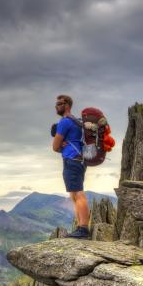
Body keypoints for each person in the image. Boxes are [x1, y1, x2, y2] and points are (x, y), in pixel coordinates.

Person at [52, 94, 90, 239]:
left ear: (67, 105)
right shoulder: (77, 122)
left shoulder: (65, 122)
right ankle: (81, 227)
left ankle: (84, 229)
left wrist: (61, 145)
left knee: (78, 194)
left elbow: (55, 147)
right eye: (56, 103)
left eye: (59, 103)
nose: (56, 106)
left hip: (72, 160)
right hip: (80, 160)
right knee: (74, 194)